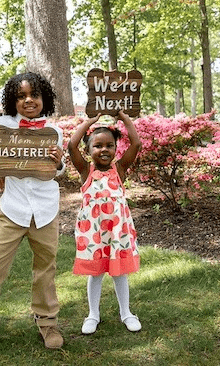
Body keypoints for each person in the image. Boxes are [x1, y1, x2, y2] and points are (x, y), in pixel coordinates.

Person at [0, 72, 65, 354]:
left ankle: (47, 321)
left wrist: (59, 163)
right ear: (13, 101)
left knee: (45, 270)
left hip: (46, 210)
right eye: (21, 96)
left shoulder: (54, 131)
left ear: (44, 98)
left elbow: (57, 170)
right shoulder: (1, 126)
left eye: (34, 95)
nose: (28, 101)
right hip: (12, 209)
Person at [67, 110, 142, 335]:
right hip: (94, 233)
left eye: (109, 145)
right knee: (96, 273)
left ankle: (126, 313)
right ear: (88, 150)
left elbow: (136, 144)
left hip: (118, 231)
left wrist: (122, 117)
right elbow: (71, 145)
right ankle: (93, 314)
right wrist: (90, 121)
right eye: (97, 146)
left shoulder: (119, 170)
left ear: (115, 149)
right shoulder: (85, 171)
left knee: (120, 272)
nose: (104, 150)